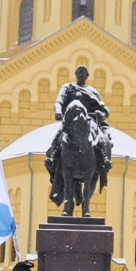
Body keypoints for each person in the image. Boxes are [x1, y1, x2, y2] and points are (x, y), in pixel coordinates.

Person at [45, 65, 112, 193]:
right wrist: (58, 112)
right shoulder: (68, 87)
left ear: (87, 76)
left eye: (83, 72)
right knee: (60, 134)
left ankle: (104, 160)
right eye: (79, 72)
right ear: (75, 74)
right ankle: (52, 156)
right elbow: (59, 101)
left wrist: (101, 113)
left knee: (100, 138)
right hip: (71, 121)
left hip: (89, 120)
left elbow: (104, 110)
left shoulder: (92, 91)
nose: (81, 74)